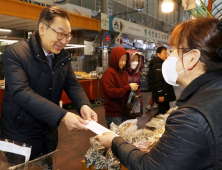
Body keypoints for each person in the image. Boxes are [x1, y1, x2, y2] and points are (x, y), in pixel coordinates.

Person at [97, 17, 222, 169]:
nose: (169, 55)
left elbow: (150, 167)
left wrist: (114, 142)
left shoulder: (191, 118)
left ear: (192, 58)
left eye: (175, 49)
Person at [1, 6, 97, 160]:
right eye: (60, 34)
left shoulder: (62, 57)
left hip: (48, 132)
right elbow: (21, 92)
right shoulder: (15, 53)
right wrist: (63, 116)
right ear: (42, 28)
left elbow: (72, 84)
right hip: (19, 135)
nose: (64, 41)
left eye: (67, 36)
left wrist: (83, 105)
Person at [101, 47, 138, 129]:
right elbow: (111, 93)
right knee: (117, 139)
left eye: (125, 60)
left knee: (122, 137)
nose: (123, 63)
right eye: (121, 60)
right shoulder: (108, 73)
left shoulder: (123, 73)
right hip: (114, 114)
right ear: (115, 58)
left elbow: (123, 90)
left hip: (123, 112)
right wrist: (129, 87)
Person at [149, 46, 176, 115]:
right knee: (162, 113)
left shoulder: (163, 63)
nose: (166, 55)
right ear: (158, 54)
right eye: (164, 53)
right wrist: (161, 94)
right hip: (163, 94)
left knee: (165, 111)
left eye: (166, 53)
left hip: (165, 93)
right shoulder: (158, 65)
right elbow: (158, 81)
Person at [126, 49, 144, 114]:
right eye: (133, 60)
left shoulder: (137, 73)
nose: (135, 62)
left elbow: (139, 90)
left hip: (134, 102)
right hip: (125, 103)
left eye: (137, 60)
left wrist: (140, 106)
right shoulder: (124, 73)